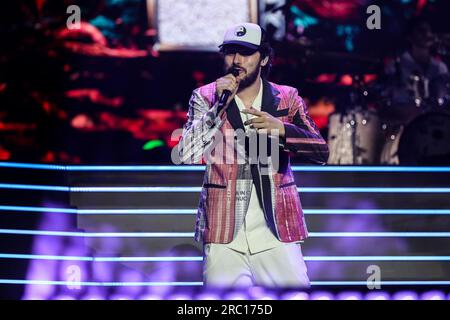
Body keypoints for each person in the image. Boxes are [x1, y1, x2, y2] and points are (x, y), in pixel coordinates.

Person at [176, 22, 329, 288]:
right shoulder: (205, 96)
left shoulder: (286, 97)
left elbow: (320, 150)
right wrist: (218, 107)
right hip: (225, 233)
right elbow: (186, 154)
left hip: (276, 230)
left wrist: (282, 129)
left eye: (246, 53)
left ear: (264, 58)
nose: (236, 60)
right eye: (230, 52)